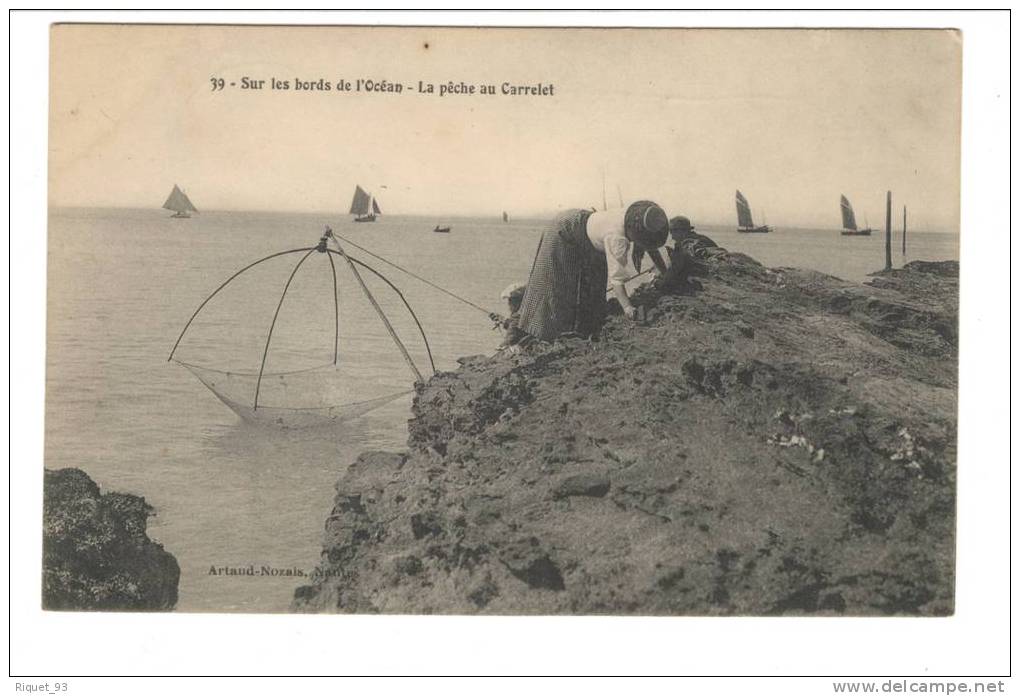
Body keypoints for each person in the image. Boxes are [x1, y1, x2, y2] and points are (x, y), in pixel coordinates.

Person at [514, 200, 670, 343]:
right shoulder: (617, 238)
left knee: (594, 287)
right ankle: (542, 335)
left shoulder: (636, 216)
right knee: (557, 289)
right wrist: (628, 308)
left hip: (586, 231)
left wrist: (666, 273)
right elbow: (616, 280)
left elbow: (651, 247)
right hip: (563, 232)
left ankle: (585, 329)